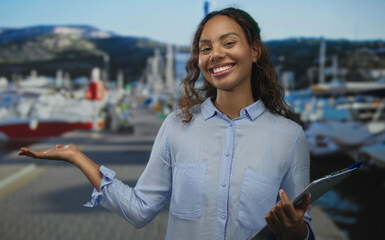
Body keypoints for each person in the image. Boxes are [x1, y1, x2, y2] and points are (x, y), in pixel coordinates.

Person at [19, 7, 314, 240]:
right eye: (206, 47)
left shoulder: (289, 137)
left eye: (229, 43)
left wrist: (294, 228)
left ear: (254, 50)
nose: (216, 55)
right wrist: (76, 156)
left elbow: (303, 230)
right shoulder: (177, 126)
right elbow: (138, 210)